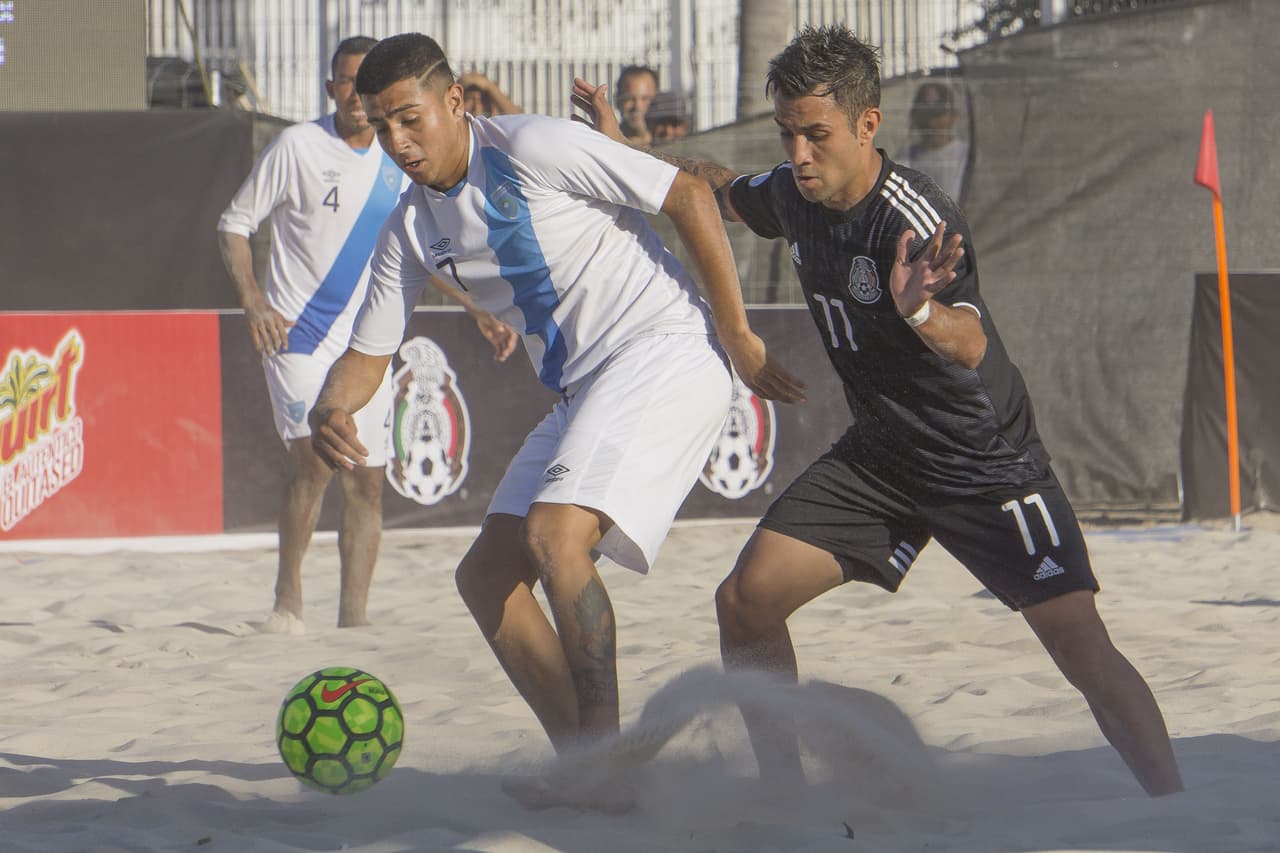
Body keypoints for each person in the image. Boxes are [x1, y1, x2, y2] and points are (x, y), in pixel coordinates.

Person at [572, 24, 1183, 797]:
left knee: (1078, 645)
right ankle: (787, 801)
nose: (797, 154)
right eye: (787, 133)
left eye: (815, 135)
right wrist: (626, 146)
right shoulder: (796, 193)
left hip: (982, 460)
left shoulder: (914, 218)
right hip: (883, 455)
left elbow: (970, 344)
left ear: (868, 124)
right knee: (745, 600)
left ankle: (1174, 809)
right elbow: (713, 185)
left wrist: (918, 311)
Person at [306, 32, 804, 797]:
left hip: (663, 350)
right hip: (587, 385)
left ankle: (599, 774)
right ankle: (590, 761)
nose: (397, 141)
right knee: (484, 577)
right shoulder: (407, 226)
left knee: (552, 535)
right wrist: (332, 403)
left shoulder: (534, 143)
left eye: (410, 118)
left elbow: (688, 193)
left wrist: (737, 335)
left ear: (455, 103)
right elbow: (370, 354)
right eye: (381, 125)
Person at [218, 36, 515, 634]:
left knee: (368, 484)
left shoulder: (398, 154)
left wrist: (476, 308)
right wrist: (253, 302)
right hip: (299, 337)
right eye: (346, 83)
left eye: (365, 83)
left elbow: (422, 254)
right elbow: (234, 225)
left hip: (365, 347)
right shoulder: (298, 146)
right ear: (331, 89)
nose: (356, 95)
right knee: (314, 461)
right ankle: (288, 601)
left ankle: (353, 622)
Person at [904, 80, 969, 202]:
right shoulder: (904, 159)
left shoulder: (966, 157)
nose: (931, 123)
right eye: (926, 115)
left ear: (953, 116)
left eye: (938, 115)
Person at [614, 64, 659, 147]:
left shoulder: (674, 140)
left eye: (645, 98)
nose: (637, 106)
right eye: (629, 98)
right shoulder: (609, 142)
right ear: (617, 100)